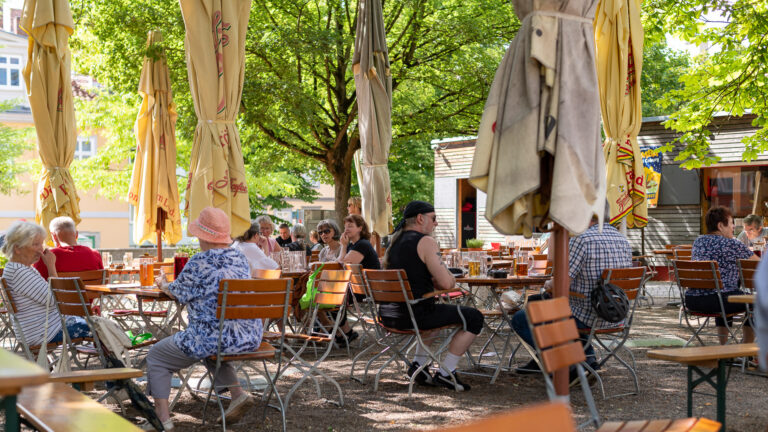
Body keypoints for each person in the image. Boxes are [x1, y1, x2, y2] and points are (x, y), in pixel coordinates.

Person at [144, 208, 261, 430]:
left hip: (214, 338)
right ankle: (237, 394)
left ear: (202, 235)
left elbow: (177, 292)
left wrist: (162, 283)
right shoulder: (239, 257)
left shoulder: (200, 261)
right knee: (214, 336)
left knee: (157, 355)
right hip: (247, 336)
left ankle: (161, 418)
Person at [511, 205, 632, 380]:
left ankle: (569, 365)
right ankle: (586, 359)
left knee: (522, 317)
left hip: (586, 316)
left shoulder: (582, 240)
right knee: (540, 302)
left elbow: (562, 283)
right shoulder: (622, 239)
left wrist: (547, 284)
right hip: (615, 315)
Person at [381, 201, 483, 391]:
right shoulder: (425, 241)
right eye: (433, 219)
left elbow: (416, 278)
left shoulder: (393, 243)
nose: (436, 224)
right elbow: (446, 284)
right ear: (420, 218)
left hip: (389, 315)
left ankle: (419, 367)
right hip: (415, 315)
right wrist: (451, 277)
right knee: (474, 317)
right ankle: (447, 372)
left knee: (435, 313)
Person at [0, 221, 90, 348]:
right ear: (17, 248)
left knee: (102, 325)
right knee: (101, 327)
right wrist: (51, 266)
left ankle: (111, 360)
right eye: (35, 244)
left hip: (43, 329)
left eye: (41, 243)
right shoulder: (20, 272)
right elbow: (57, 301)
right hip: (45, 332)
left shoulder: (18, 268)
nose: (41, 249)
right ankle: (113, 363)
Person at [689, 206, 759, 345]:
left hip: (693, 300)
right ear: (720, 226)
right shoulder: (732, 243)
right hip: (718, 301)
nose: (733, 227)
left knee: (726, 292)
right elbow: (759, 264)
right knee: (757, 302)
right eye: (731, 223)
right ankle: (747, 348)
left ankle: (724, 346)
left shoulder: (698, 241)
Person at [32, 216, 103, 280]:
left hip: (59, 294)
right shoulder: (95, 254)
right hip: (91, 295)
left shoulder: (46, 257)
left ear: (54, 236)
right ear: (76, 234)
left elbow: (35, 283)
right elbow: (103, 281)